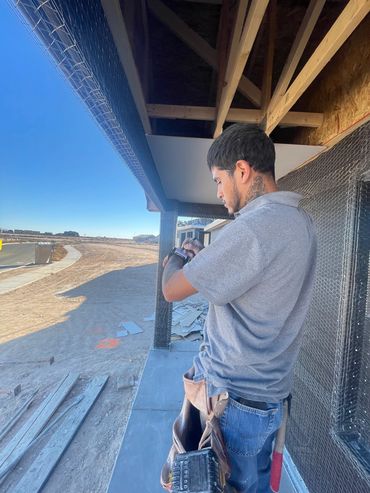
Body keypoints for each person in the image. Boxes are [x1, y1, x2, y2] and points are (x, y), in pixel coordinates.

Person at [161, 123, 317, 493]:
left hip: (234, 402)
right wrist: (209, 260)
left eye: (219, 180)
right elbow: (255, 283)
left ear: (243, 171)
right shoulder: (301, 223)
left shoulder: (252, 228)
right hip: (268, 397)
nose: (218, 192)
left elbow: (171, 290)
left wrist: (176, 256)